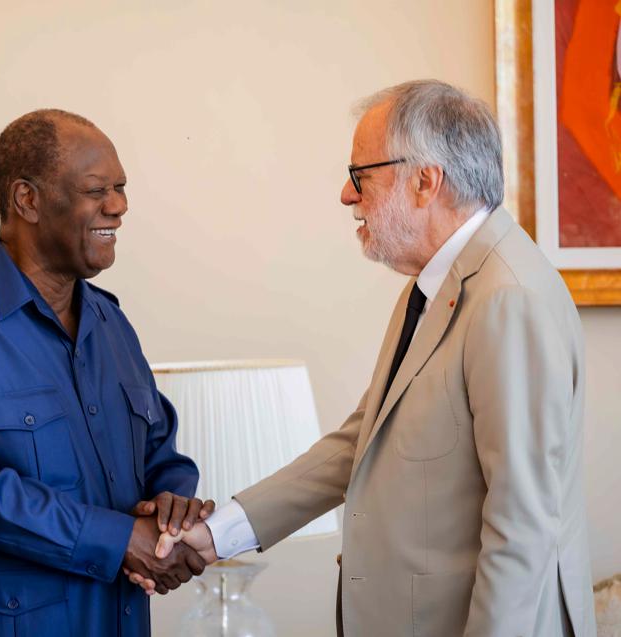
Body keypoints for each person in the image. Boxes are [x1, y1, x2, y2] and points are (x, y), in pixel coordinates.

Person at [138, 80, 597, 636]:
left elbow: (523, 526)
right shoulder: (432, 285)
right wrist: (217, 534)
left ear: (425, 181)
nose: (346, 195)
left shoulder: (507, 298)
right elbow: (361, 443)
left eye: (361, 176)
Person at [0, 108, 212, 637]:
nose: (119, 206)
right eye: (97, 190)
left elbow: (160, 454)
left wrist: (171, 511)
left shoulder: (111, 324)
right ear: (27, 200)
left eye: (121, 188)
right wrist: (122, 540)